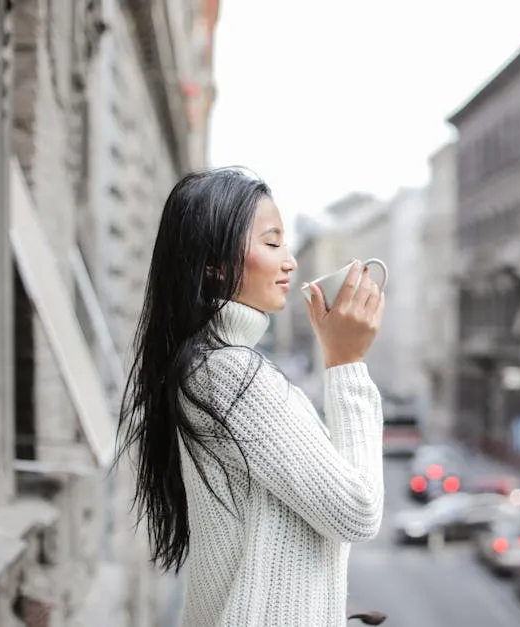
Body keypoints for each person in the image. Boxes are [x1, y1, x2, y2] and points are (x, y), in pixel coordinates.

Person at [117, 168, 386, 627]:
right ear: (216, 265)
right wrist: (346, 363)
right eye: (272, 242)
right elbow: (358, 511)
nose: (291, 262)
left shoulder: (210, 365)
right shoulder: (229, 373)